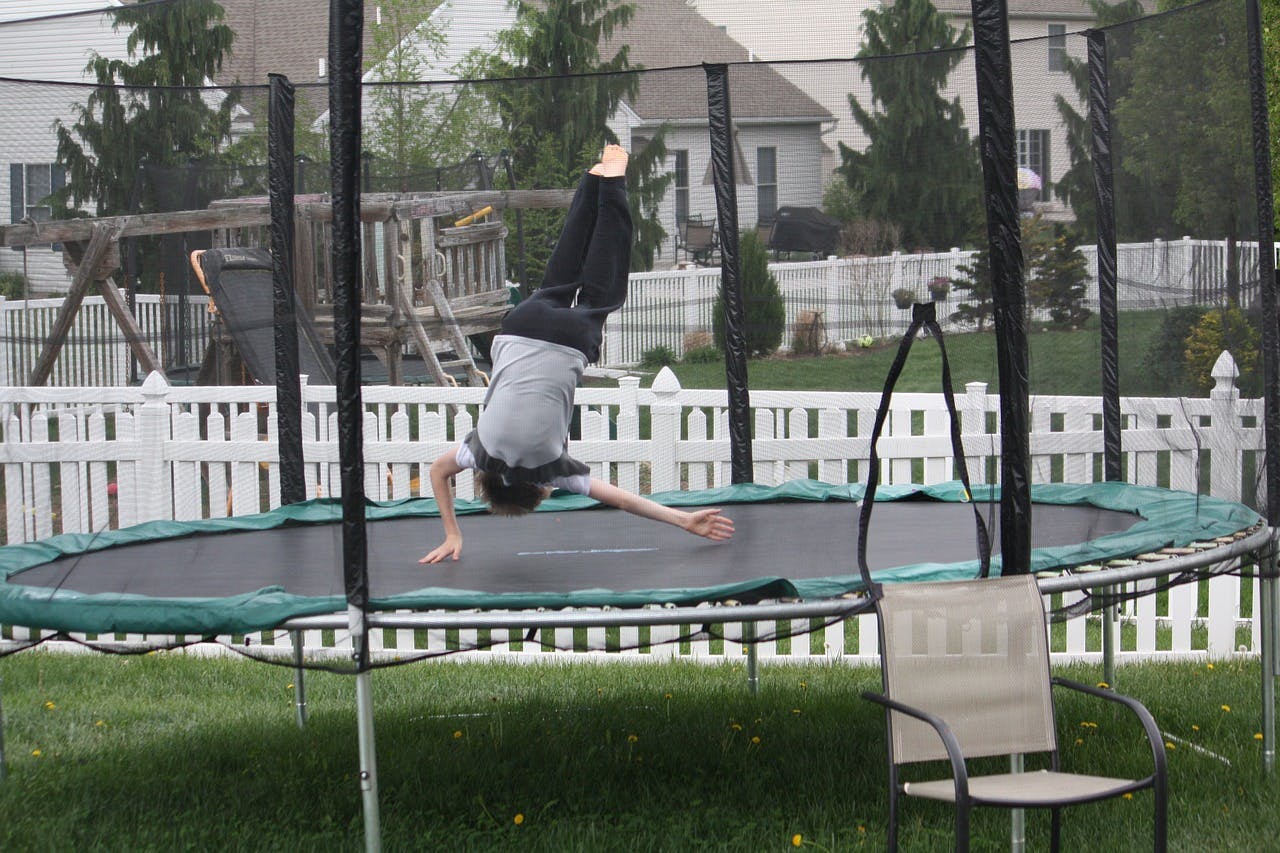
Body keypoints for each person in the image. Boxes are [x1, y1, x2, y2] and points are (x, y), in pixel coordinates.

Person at [420, 145, 734, 564]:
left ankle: (615, 184)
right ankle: (593, 182)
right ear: (484, 478)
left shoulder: (552, 469)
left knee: (603, 288)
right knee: (560, 274)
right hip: (519, 327)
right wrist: (451, 531)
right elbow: (438, 474)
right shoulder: (476, 451)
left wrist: (683, 520)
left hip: (568, 340)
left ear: (540, 489)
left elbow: (625, 500)